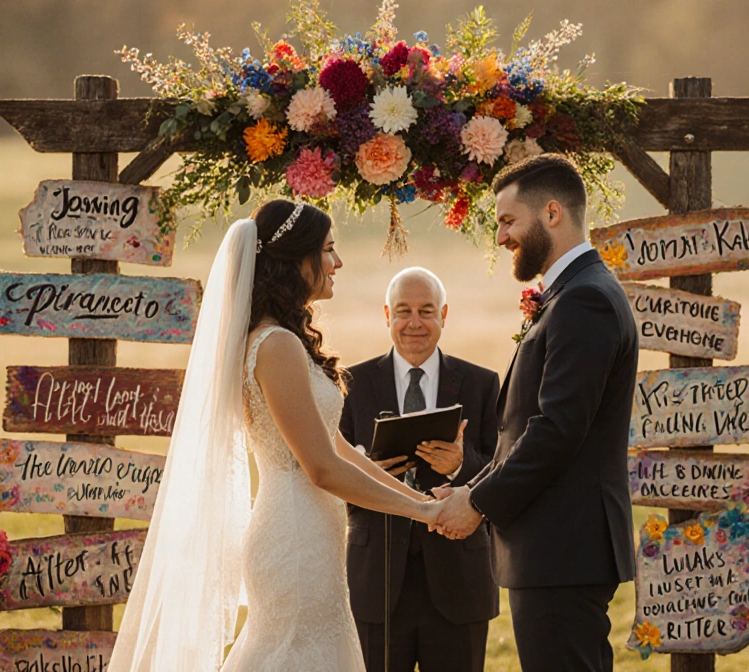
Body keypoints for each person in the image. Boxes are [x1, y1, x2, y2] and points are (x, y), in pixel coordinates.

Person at [110, 200, 444, 671]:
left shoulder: (285, 339)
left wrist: (424, 505)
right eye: (329, 250)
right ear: (296, 260)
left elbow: (338, 447)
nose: (338, 262)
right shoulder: (276, 345)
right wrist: (422, 510)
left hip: (311, 532)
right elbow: (322, 468)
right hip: (294, 536)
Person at [431, 154, 638, 672]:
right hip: (556, 548)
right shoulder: (573, 292)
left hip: (562, 549)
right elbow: (528, 428)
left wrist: (477, 501)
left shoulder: (583, 300)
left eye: (507, 221)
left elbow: (558, 430)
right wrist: (467, 482)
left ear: (551, 213)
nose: (500, 237)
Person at [340, 267, 499, 672]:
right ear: (386, 315)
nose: (414, 323)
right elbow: (329, 477)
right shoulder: (349, 385)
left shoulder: (482, 384)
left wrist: (462, 465)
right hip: (375, 579)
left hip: (459, 578)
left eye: (426, 311)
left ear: (444, 315)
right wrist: (367, 472)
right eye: (403, 310)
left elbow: (503, 471)